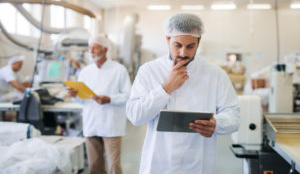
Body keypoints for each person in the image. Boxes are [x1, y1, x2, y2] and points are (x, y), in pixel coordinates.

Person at [126, 13, 240, 174]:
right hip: (158, 163)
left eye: (190, 46)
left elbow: (234, 115)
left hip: (199, 163)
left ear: (199, 41)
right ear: (167, 39)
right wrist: (166, 88)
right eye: (177, 45)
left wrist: (217, 124)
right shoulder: (149, 71)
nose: (183, 53)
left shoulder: (215, 74)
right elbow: (135, 116)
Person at [67, 35, 131, 174]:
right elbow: (82, 100)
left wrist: (109, 99)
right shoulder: (85, 72)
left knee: (114, 165)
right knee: (94, 165)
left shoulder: (119, 70)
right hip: (91, 123)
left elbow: (128, 96)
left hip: (111, 124)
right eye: (90, 48)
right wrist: (74, 96)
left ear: (105, 49)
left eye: (95, 47)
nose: (91, 51)